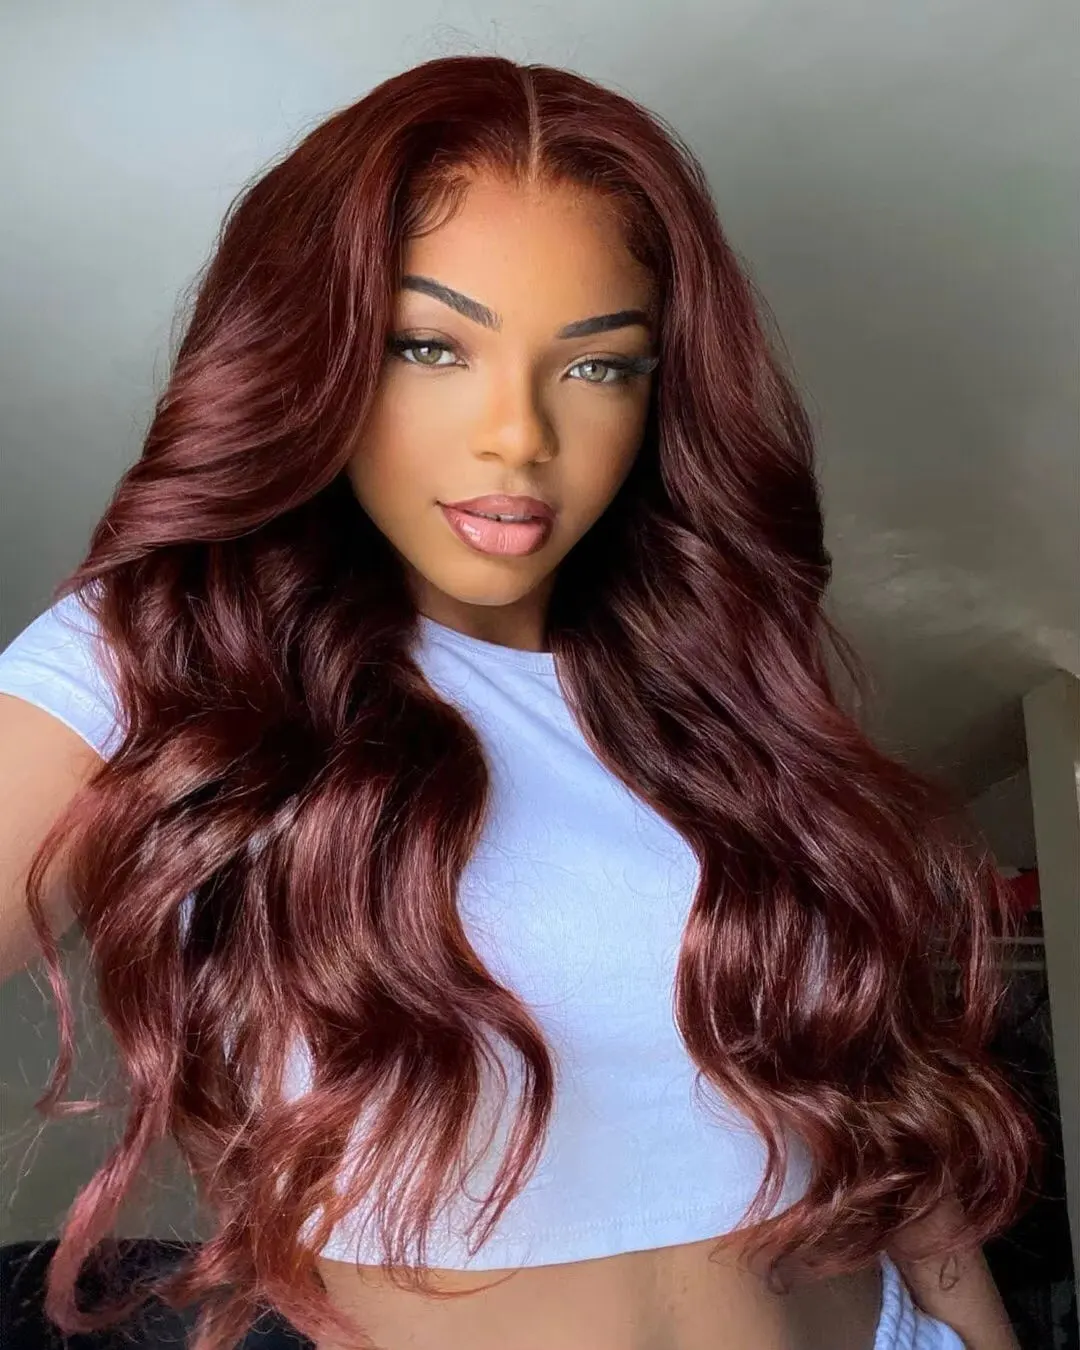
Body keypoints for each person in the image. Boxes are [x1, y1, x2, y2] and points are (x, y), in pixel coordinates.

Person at [0, 54, 1035, 1350]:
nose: (519, 435)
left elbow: (881, 1105)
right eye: (431, 345)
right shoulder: (172, 647)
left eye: (598, 367)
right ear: (314, 356)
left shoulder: (714, 675)